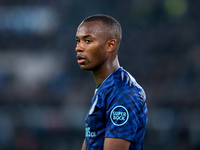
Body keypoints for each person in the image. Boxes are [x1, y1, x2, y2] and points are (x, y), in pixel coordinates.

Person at [75, 14, 148, 150]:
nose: (78, 47)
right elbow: (91, 140)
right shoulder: (106, 87)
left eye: (88, 41)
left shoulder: (124, 92)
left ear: (110, 45)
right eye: (78, 41)